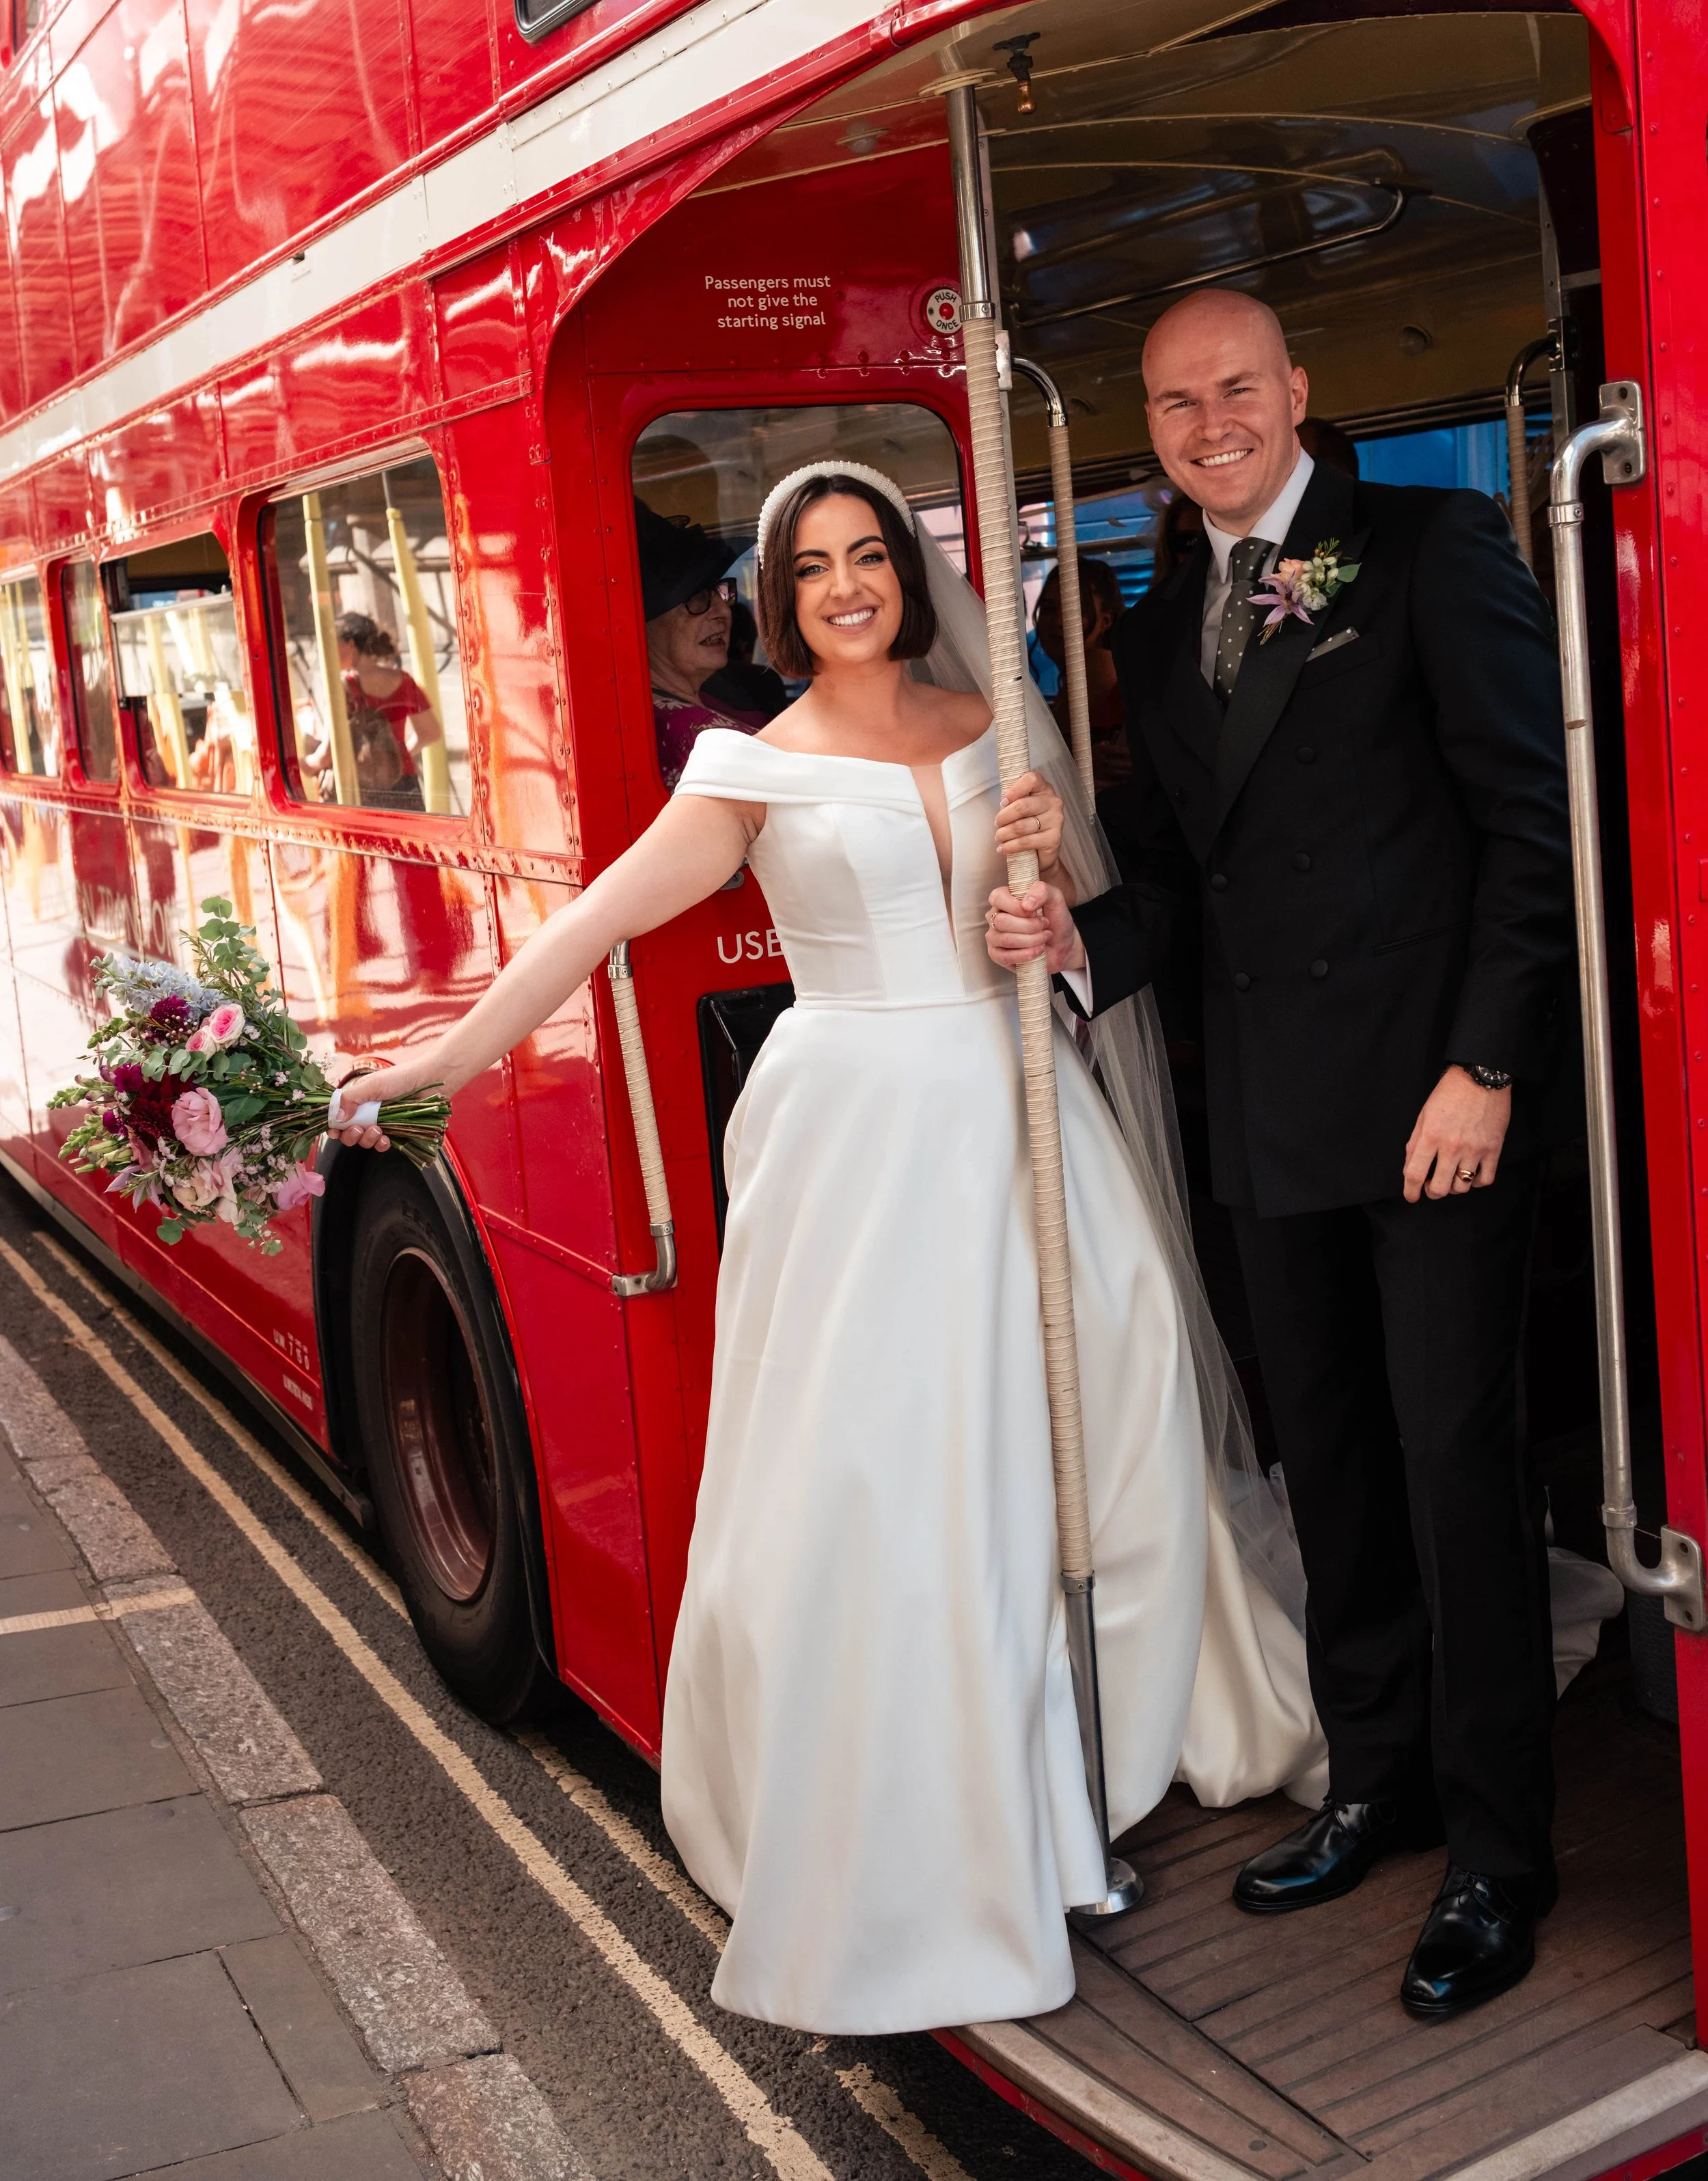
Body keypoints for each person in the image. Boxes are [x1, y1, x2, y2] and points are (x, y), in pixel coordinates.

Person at [333, 460, 1323, 2034]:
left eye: (872, 554)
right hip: (863, 1136)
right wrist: (436, 1058)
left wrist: (1039, 914)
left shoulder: (995, 723)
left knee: (1104, 1416)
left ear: (907, 575)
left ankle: (1104, 1729)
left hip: (1024, 1112)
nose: (849, 584)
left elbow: (1063, 927)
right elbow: (592, 921)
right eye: (815, 566)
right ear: (782, 597)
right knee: (899, 1467)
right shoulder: (754, 771)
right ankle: (948, 1795)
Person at [989, 289, 1573, 2021]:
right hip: (1268, 1117)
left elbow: (1533, 825)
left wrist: (1484, 1065)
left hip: (1433, 1114)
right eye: (1175, 402)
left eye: (1236, 387)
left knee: (1456, 1470)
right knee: (1329, 1466)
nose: (1208, 421)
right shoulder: (1166, 625)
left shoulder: (1428, 543)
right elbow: (1177, 879)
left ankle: (1498, 1851)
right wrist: (1075, 937)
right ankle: (1376, 1777)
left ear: (1299, 390)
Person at [635, 499, 765, 785]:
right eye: (696, 599)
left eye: (719, 593)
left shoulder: (702, 702)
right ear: (645, 623)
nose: (721, 612)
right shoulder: (696, 735)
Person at [301, 612, 441, 810]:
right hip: (405, 782)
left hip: (361, 787)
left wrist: (301, 764)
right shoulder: (404, 680)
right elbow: (430, 732)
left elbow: (327, 755)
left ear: (350, 645)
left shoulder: (344, 687)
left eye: (333, 645)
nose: (327, 653)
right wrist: (399, 756)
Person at [1032, 555, 1130, 789]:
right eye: (1048, 609)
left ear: (1106, 621)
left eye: (1074, 609)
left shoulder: (1098, 672)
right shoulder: (1071, 685)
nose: (1057, 621)